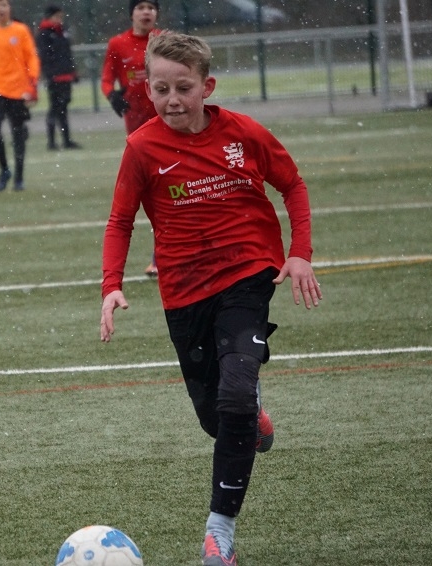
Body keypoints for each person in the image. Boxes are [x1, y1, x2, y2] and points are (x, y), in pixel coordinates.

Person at [98, 32, 323, 566]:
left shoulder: (244, 134)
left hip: (248, 275)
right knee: (217, 419)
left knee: (236, 395)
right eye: (160, 90)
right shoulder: (142, 148)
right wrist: (111, 285)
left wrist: (300, 253)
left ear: (207, 87)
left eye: (184, 88)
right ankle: (249, 413)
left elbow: (292, 185)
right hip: (183, 292)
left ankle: (219, 533)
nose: (172, 100)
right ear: (148, 90)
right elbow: (120, 220)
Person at [101, 0, 161, 276]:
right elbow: (106, 79)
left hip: (167, 125)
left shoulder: (164, 41)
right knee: (144, 193)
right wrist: (112, 96)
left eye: (151, 7)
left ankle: (160, 257)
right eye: (141, 7)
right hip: (137, 131)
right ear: (131, 14)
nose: (146, 12)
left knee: (166, 190)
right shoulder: (118, 44)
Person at [0, 0, 41, 192]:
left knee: (18, 133)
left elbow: (31, 57)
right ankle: (4, 170)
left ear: (9, 8)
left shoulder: (21, 31)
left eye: (4, 5)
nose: (0, 9)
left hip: (18, 90)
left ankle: (19, 177)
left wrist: (33, 84)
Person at [36, 5, 80, 151]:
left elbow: (67, 54)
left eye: (61, 17)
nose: (60, 20)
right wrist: (51, 74)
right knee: (55, 108)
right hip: (55, 77)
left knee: (63, 108)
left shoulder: (62, 31)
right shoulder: (44, 34)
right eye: (57, 17)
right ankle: (51, 141)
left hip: (65, 75)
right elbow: (45, 57)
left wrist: (73, 71)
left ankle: (66, 140)